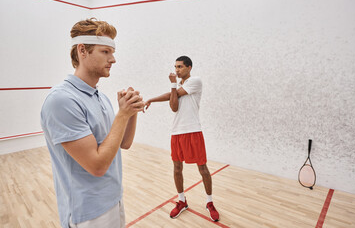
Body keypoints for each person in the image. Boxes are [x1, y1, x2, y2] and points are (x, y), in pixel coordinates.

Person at [40, 18, 144, 228]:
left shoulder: (100, 97)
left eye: (112, 52)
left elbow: (124, 143)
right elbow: (97, 166)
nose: (113, 59)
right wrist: (122, 115)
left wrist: (131, 111)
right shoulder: (62, 100)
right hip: (88, 213)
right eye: (105, 52)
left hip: (113, 199)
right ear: (82, 50)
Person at [145, 56, 220, 222]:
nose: (177, 70)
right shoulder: (178, 86)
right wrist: (151, 99)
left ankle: (209, 202)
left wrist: (172, 85)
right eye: (175, 66)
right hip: (177, 132)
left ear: (189, 67)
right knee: (177, 168)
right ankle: (182, 201)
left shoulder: (195, 81)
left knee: (203, 169)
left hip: (193, 131)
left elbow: (174, 101)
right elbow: (173, 105)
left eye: (180, 67)